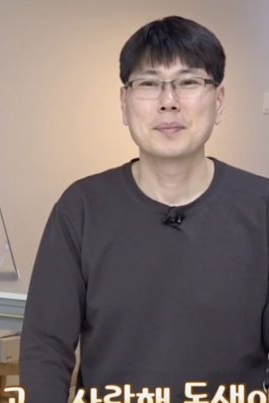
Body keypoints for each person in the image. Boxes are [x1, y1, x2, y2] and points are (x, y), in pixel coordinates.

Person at [20, 16, 269, 402]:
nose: (168, 102)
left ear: (219, 101)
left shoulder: (260, 207)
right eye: (149, 84)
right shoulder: (82, 208)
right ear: (124, 103)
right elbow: (45, 349)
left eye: (189, 82)